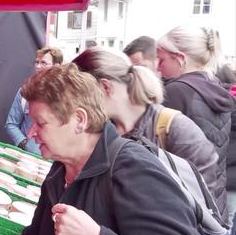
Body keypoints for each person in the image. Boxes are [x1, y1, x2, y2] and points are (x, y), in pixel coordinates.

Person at [3, 64, 223, 235]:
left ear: (79, 120)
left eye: (40, 123)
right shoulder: (60, 170)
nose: (30, 132)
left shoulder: (133, 169)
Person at [72, 47, 227, 221]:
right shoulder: (100, 129)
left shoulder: (177, 129)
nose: (77, 105)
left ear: (105, 87)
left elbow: (204, 207)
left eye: (79, 95)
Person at [157, 25, 236, 226]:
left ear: (180, 58)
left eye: (162, 59)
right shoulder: (217, 88)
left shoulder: (177, 92)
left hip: (186, 205)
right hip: (216, 198)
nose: (158, 67)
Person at [4, 46, 62, 154]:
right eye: (37, 62)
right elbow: (11, 124)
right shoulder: (25, 92)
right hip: (26, 159)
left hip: (54, 161)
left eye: (44, 63)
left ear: (56, 66)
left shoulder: (67, 96)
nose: (38, 66)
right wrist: (25, 144)